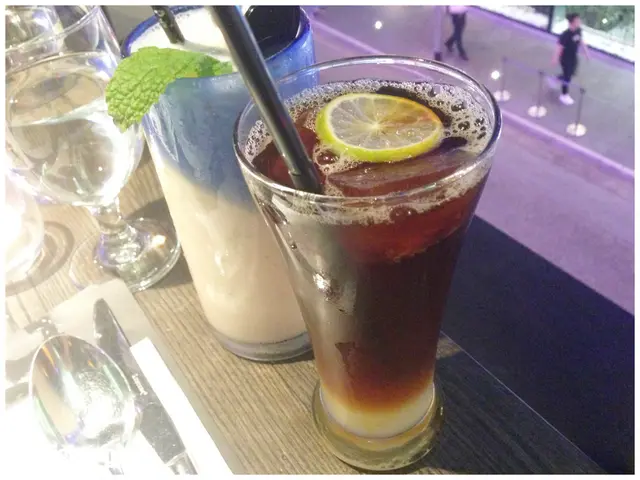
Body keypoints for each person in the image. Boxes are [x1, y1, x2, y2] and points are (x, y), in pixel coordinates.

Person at [552, 12, 590, 105]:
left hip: (573, 57)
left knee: (571, 73)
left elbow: (581, 41)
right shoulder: (565, 34)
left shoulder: (578, 30)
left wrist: (586, 52)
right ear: (572, 22)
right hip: (565, 58)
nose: (579, 22)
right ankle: (564, 95)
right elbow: (559, 47)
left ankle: (557, 78)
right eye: (577, 21)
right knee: (567, 77)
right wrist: (555, 58)